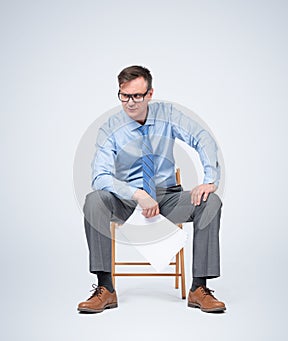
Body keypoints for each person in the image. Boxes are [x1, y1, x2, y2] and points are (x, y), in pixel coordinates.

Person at [78, 65, 226, 314]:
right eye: (124, 95)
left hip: (168, 196)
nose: (130, 102)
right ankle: (105, 289)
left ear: (149, 94)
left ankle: (199, 288)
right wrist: (137, 194)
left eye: (137, 95)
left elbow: (201, 136)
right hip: (126, 200)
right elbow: (100, 176)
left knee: (211, 202)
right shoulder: (110, 128)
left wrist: (210, 179)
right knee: (94, 200)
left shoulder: (167, 115)